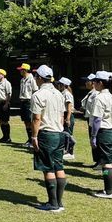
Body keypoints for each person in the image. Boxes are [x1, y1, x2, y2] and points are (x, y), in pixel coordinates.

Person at [30, 65, 67, 212]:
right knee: (59, 166)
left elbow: (36, 118)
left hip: (46, 134)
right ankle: (58, 201)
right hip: (59, 133)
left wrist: (34, 136)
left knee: (48, 168)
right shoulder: (59, 94)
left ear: (39, 78)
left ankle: (53, 203)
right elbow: (62, 116)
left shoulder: (38, 95)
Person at [90, 71, 112, 199]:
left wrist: (93, 136)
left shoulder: (100, 97)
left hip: (104, 131)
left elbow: (97, 120)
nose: (93, 84)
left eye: (95, 81)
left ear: (100, 83)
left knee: (106, 163)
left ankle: (108, 192)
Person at [80, 73, 100, 168]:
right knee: (93, 140)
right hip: (90, 120)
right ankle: (97, 161)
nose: (85, 83)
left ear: (92, 83)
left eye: (87, 81)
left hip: (94, 120)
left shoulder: (96, 94)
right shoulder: (91, 93)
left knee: (96, 141)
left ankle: (100, 161)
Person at [17, 63, 38, 147]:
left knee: (30, 121)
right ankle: (29, 139)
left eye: (21, 70)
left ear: (25, 70)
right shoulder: (22, 79)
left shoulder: (32, 79)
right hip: (23, 101)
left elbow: (35, 90)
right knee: (26, 121)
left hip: (29, 102)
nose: (20, 71)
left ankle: (32, 140)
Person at [57, 77, 76, 160]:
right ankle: (66, 150)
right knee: (65, 133)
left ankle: (70, 152)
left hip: (67, 114)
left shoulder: (67, 93)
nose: (58, 85)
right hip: (64, 114)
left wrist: (68, 118)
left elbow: (69, 107)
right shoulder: (63, 93)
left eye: (59, 84)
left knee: (68, 134)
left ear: (63, 85)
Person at [0, 69, 12, 143]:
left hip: (4, 103)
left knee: (5, 121)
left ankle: (8, 137)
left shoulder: (6, 83)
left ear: (2, 75)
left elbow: (9, 94)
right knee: (1, 121)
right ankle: (4, 136)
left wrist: (6, 104)